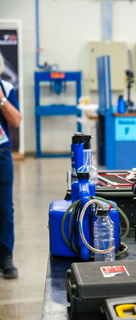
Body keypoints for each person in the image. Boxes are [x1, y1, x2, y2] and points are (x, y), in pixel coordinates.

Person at [0, 53, 22, 279]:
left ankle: (5, 257)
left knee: (5, 207)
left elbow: (15, 121)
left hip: (1, 154)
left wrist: (1, 99)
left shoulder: (6, 88)